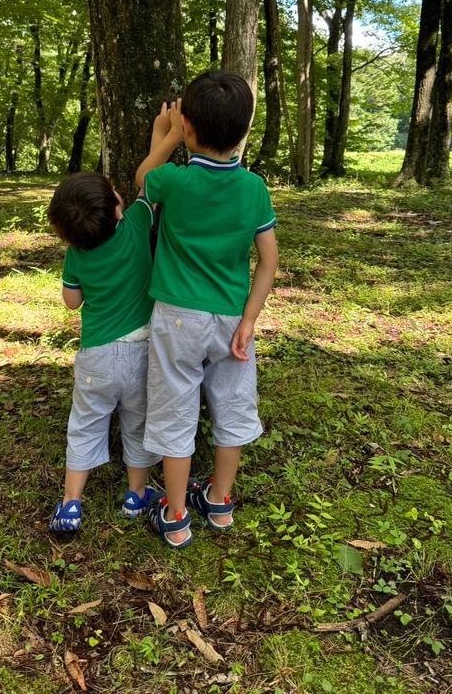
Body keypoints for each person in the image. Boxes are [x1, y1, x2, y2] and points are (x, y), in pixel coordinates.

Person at [135, 70, 278, 548]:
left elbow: (142, 179)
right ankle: (219, 501)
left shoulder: (172, 181)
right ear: (243, 132)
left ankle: (175, 516)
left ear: (189, 128)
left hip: (176, 318)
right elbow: (269, 260)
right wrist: (251, 317)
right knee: (232, 407)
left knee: (176, 411)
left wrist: (166, 135)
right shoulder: (254, 188)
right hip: (233, 318)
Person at [46, 170, 160, 532]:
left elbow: (70, 301)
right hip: (142, 352)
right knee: (138, 424)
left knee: (84, 424)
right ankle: (135, 494)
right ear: (116, 210)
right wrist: (169, 133)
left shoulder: (76, 255)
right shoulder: (139, 222)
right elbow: (149, 181)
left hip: (96, 355)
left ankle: (71, 504)